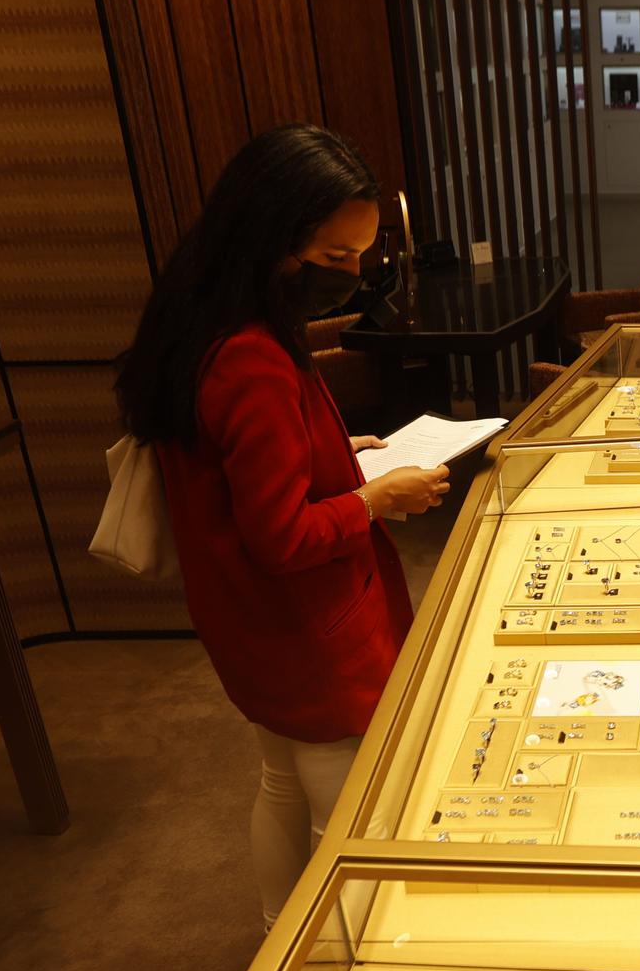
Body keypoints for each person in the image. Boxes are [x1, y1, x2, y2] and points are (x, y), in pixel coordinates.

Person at [114, 124, 451, 928]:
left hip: (248, 628)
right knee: (348, 824)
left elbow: (244, 477)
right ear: (271, 237)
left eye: (364, 254)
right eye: (336, 259)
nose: (355, 276)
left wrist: (341, 450)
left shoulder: (198, 325)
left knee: (279, 779)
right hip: (312, 640)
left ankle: (275, 932)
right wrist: (375, 499)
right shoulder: (252, 355)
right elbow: (282, 537)